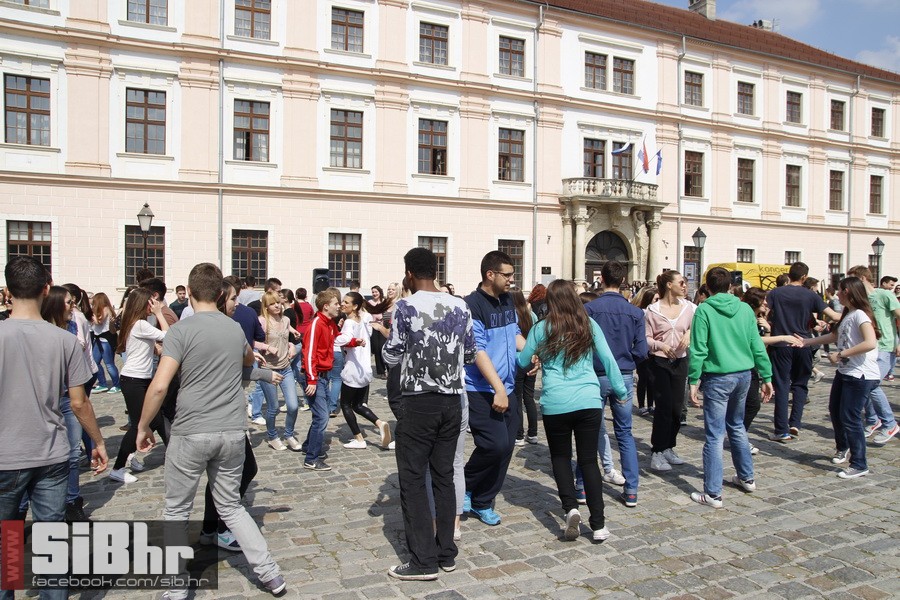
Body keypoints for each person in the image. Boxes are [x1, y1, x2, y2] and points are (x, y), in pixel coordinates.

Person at [136, 262, 286, 597]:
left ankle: (176, 587)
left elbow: (160, 386)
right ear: (220, 294)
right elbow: (248, 362)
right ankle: (270, 574)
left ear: (189, 293)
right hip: (231, 432)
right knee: (232, 506)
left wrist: (144, 425)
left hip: (191, 430)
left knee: (176, 510)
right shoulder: (233, 328)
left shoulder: (181, 331)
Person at [0, 257, 108, 600]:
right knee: (52, 543)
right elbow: (79, 402)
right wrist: (98, 441)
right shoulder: (65, 341)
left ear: (7, 292)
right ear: (46, 290)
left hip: (7, 456)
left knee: (9, 544)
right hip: (51, 454)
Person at [382, 247, 476, 580]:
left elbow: (391, 356)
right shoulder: (460, 305)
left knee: (412, 479)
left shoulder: (405, 307)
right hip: (452, 400)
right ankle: (446, 551)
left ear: (409, 273)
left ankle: (423, 561)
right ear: (435, 271)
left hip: (419, 400)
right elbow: (469, 354)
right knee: (444, 476)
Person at [518, 279, 626, 541]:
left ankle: (570, 508)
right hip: (588, 400)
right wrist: (621, 392)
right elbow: (609, 359)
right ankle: (598, 524)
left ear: (551, 302)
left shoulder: (542, 328)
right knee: (589, 461)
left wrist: (536, 358)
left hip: (556, 402)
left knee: (561, 458)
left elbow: (522, 360)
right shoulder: (587, 324)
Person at [688, 267, 774, 508]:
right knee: (736, 426)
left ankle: (713, 493)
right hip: (743, 374)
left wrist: (693, 380)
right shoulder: (745, 309)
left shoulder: (704, 309)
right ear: (731, 285)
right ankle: (747, 477)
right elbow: (756, 344)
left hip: (718, 376)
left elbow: (698, 348)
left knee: (715, 435)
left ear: (708, 286)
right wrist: (766, 375)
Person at [462, 251, 525, 526]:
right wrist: (498, 388)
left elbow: (515, 335)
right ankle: (463, 484)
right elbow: (477, 350)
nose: (512, 280)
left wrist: (531, 355)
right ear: (490, 274)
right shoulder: (472, 305)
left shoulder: (508, 301)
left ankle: (482, 501)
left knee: (507, 446)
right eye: (507, 275)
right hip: (480, 388)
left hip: (508, 386)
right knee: (494, 444)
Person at [799, 277, 881, 479]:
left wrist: (842, 354)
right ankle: (842, 448)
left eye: (839, 291)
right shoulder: (849, 314)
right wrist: (806, 341)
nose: (836, 295)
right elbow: (835, 337)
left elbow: (870, 342)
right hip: (846, 372)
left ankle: (859, 463)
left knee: (850, 417)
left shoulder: (861, 314)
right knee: (836, 411)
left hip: (860, 374)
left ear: (848, 292)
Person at [583, 261, 647, 507]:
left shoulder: (591, 309)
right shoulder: (635, 312)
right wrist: (628, 361)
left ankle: (582, 487)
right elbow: (641, 350)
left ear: (601, 278)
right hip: (623, 374)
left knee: (589, 431)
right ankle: (631, 490)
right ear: (623, 281)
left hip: (595, 374)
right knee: (625, 433)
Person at [765, 262, 840, 441]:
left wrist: (769, 325)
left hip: (781, 343)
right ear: (804, 277)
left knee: (782, 386)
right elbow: (835, 315)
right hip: (804, 343)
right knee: (800, 385)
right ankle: (795, 424)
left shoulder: (775, 293)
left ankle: (781, 430)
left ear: (789, 275)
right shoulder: (810, 295)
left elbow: (765, 313)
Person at [110, 287, 170, 483]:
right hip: (134, 380)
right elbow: (169, 335)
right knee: (139, 425)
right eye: (151, 302)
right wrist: (159, 313)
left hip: (139, 379)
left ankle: (132, 456)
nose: (153, 305)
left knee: (157, 420)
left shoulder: (137, 324)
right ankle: (118, 468)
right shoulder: (140, 325)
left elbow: (152, 348)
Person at [740, 288, 803, 454]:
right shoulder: (746, 317)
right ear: (755, 302)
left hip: (754, 365)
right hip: (744, 365)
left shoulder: (758, 318)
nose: (767, 303)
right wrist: (782, 337)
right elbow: (754, 341)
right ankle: (738, 437)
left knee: (751, 405)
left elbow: (762, 345)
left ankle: (739, 436)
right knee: (750, 405)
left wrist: (768, 329)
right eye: (764, 300)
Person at [645, 271, 696, 471]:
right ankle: (657, 451)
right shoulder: (653, 310)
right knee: (663, 408)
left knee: (677, 409)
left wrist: (690, 333)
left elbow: (698, 327)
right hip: (659, 362)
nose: (685, 286)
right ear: (668, 285)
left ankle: (669, 446)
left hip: (680, 361)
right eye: (681, 282)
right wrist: (660, 345)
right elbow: (646, 338)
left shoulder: (690, 308)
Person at [845, 266, 899, 445]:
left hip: (885, 346)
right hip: (870, 349)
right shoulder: (862, 299)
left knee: (872, 384)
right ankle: (873, 420)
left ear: (862, 278)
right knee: (865, 383)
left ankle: (889, 423)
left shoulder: (884, 295)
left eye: (852, 279)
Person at [337, 292, 392, 449]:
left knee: (346, 404)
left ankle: (359, 439)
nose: (342, 304)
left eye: (346, 302)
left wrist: (334, 336)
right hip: (364, 369)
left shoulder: (349, 322)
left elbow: (345, 339)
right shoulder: (364, 319)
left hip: (353, 369)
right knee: (359, 405)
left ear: (355, 306)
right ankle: (380, 423)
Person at [300, 290, 343, 471]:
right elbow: (309, 353)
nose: (339, 306)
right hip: (315, 376)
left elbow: (337, 339)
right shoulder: (317, 324)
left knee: (320, 414)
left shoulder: (329, 323)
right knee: (322, 416)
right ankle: (312, 458)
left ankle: (308, 446)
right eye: (336, 304)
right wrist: (311, 379)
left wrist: (355, 341)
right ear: (326, 306)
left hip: (322, 377)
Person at [257, 291, 302, 451]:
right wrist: (266, 347)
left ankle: (289, 434)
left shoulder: (286, 319)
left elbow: (288, 334)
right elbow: (251, 341)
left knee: (293, 406)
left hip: (286, 367)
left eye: (278, 302)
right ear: (266, 307)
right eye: (272, 303)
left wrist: (291, 344)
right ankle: (273, 436)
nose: (276, 305)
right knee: (273, 407)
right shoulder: (262, 321)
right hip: (268, 370)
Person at [510, 290, 539, 446]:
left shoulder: (512, 317)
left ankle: (519, 434)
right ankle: (533, 433)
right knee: (529, 397)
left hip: (517, 360)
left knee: (517, 398)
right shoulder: (531, 315)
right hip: (531, 358)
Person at [632, 286, 658, 417]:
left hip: (653, 350)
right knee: (643, 378)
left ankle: (651, 404)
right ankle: (642, 405)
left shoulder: (656, 311)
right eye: (655, 299)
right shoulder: (640, 312)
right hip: (642, 350)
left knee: (652, 379)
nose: (658, 301)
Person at [90, 292, 121, 394]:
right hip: (98, 338)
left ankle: (117, 384)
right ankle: (102, 383)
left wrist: (91, 315)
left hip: (106, 339)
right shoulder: (97, 310)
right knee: (95, 361)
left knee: (109, 364)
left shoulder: (106, 309)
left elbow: (99, 321)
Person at [368, 285, 388, 377]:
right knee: (377, 349)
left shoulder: (385, 302)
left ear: (380, 292)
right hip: (373, 327)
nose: (374, 294)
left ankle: (387, 367)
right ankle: (381, 371)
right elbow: (367, 316)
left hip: (383, 328)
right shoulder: (370, 302)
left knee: (382, 348)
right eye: (373, 292)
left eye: (376, 292)